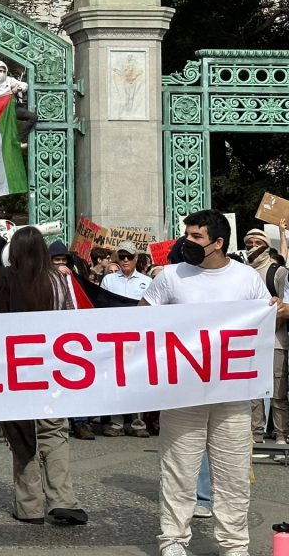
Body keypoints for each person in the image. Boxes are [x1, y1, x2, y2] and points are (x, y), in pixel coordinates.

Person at [141, 209, 278, 556]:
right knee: (178, 469)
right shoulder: (170, 276)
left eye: (196, 236)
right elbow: (140, 319)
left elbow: (261, 320)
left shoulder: (246, 278)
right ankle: (173, 540)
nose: (187, 241)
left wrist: (274, 307)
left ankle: (234, 544)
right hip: (182, 393)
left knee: (232, 472)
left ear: (218, 243)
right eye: (187, 234)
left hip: (232, 394)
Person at [0, 226, 87, 527]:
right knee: (55, 432)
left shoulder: (2, 280)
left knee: (21, 434)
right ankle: (63, 499)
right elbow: (71, 320)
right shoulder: (59, 279)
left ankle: (29, 506)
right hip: (52, 369)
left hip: (15, 371)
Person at [100, 240, 152, 439]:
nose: (125, 260)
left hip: (137, 337)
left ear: (136, 258)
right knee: (116, 378)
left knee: (137, 378)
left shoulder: (147, 282)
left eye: (129, 256)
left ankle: (138, 422)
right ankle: (116, 421)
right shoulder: (109, 281)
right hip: (115, 336)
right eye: (122, 256)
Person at [242, 227, 288, 444]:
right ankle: (256, 433)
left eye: (256, 243)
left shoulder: (278, 272)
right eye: (248, 243)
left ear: (266, 245)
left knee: (278, 390)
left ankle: (281, 434)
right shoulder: (243, 273)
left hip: (276, 340)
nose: (252, 247)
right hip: (251, 341)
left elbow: (286, 306)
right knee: (253, 390)